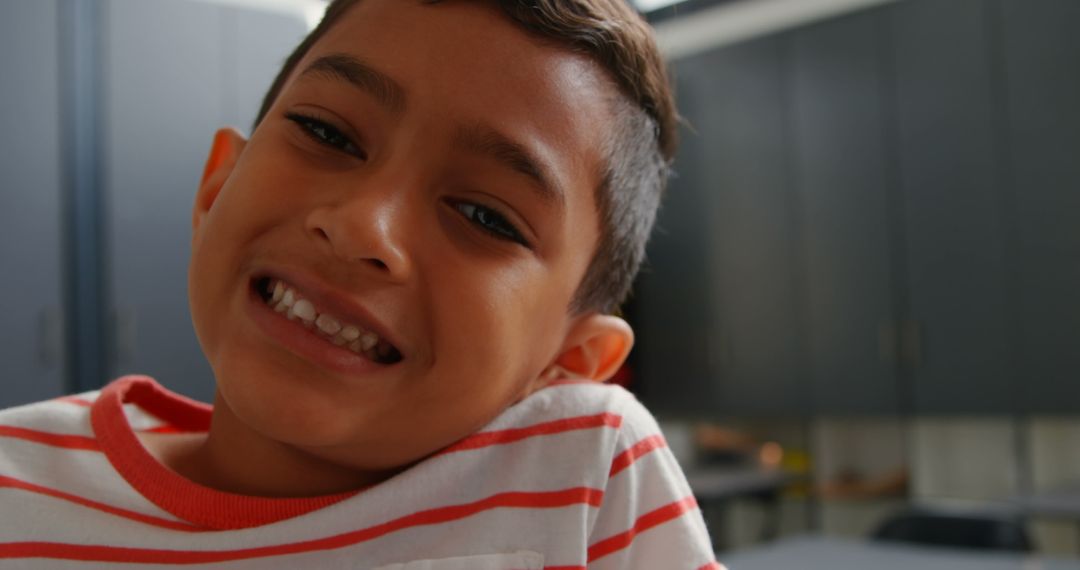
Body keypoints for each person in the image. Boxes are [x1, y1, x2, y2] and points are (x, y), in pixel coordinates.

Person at [0, 0, 719, 567]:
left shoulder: (585, 475)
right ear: (217, 187)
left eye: (483, 216)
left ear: (566, 365)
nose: (362, 227)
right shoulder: (14, 484)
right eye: (329, 134)